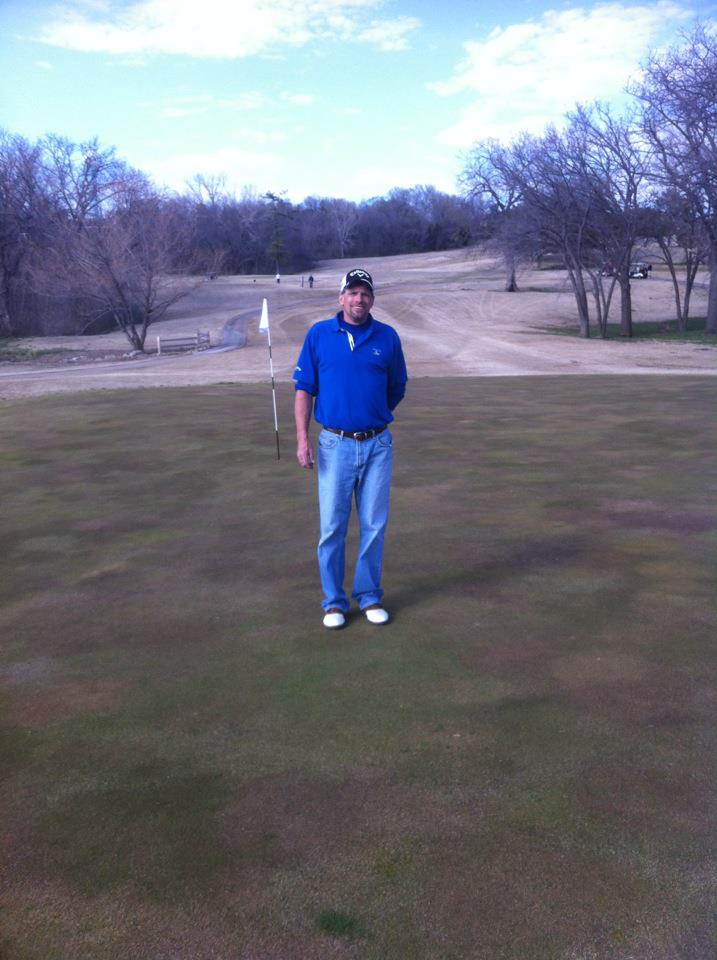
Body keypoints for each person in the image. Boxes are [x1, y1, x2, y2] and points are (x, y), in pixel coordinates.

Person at [294, 268, 407, 629]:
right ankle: (333, 603)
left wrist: (371, 414)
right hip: (334, 444)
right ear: (341, 297)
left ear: (372, 299)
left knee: (374, 525)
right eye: (353, 292)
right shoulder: (319, 335)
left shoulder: (387, 337)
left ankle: (369, 595)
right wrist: (302, 439)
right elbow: (304, 389)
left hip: (377, 444)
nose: (360, 299)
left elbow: (397, 387)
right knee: (332, 527)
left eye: (366, 293)